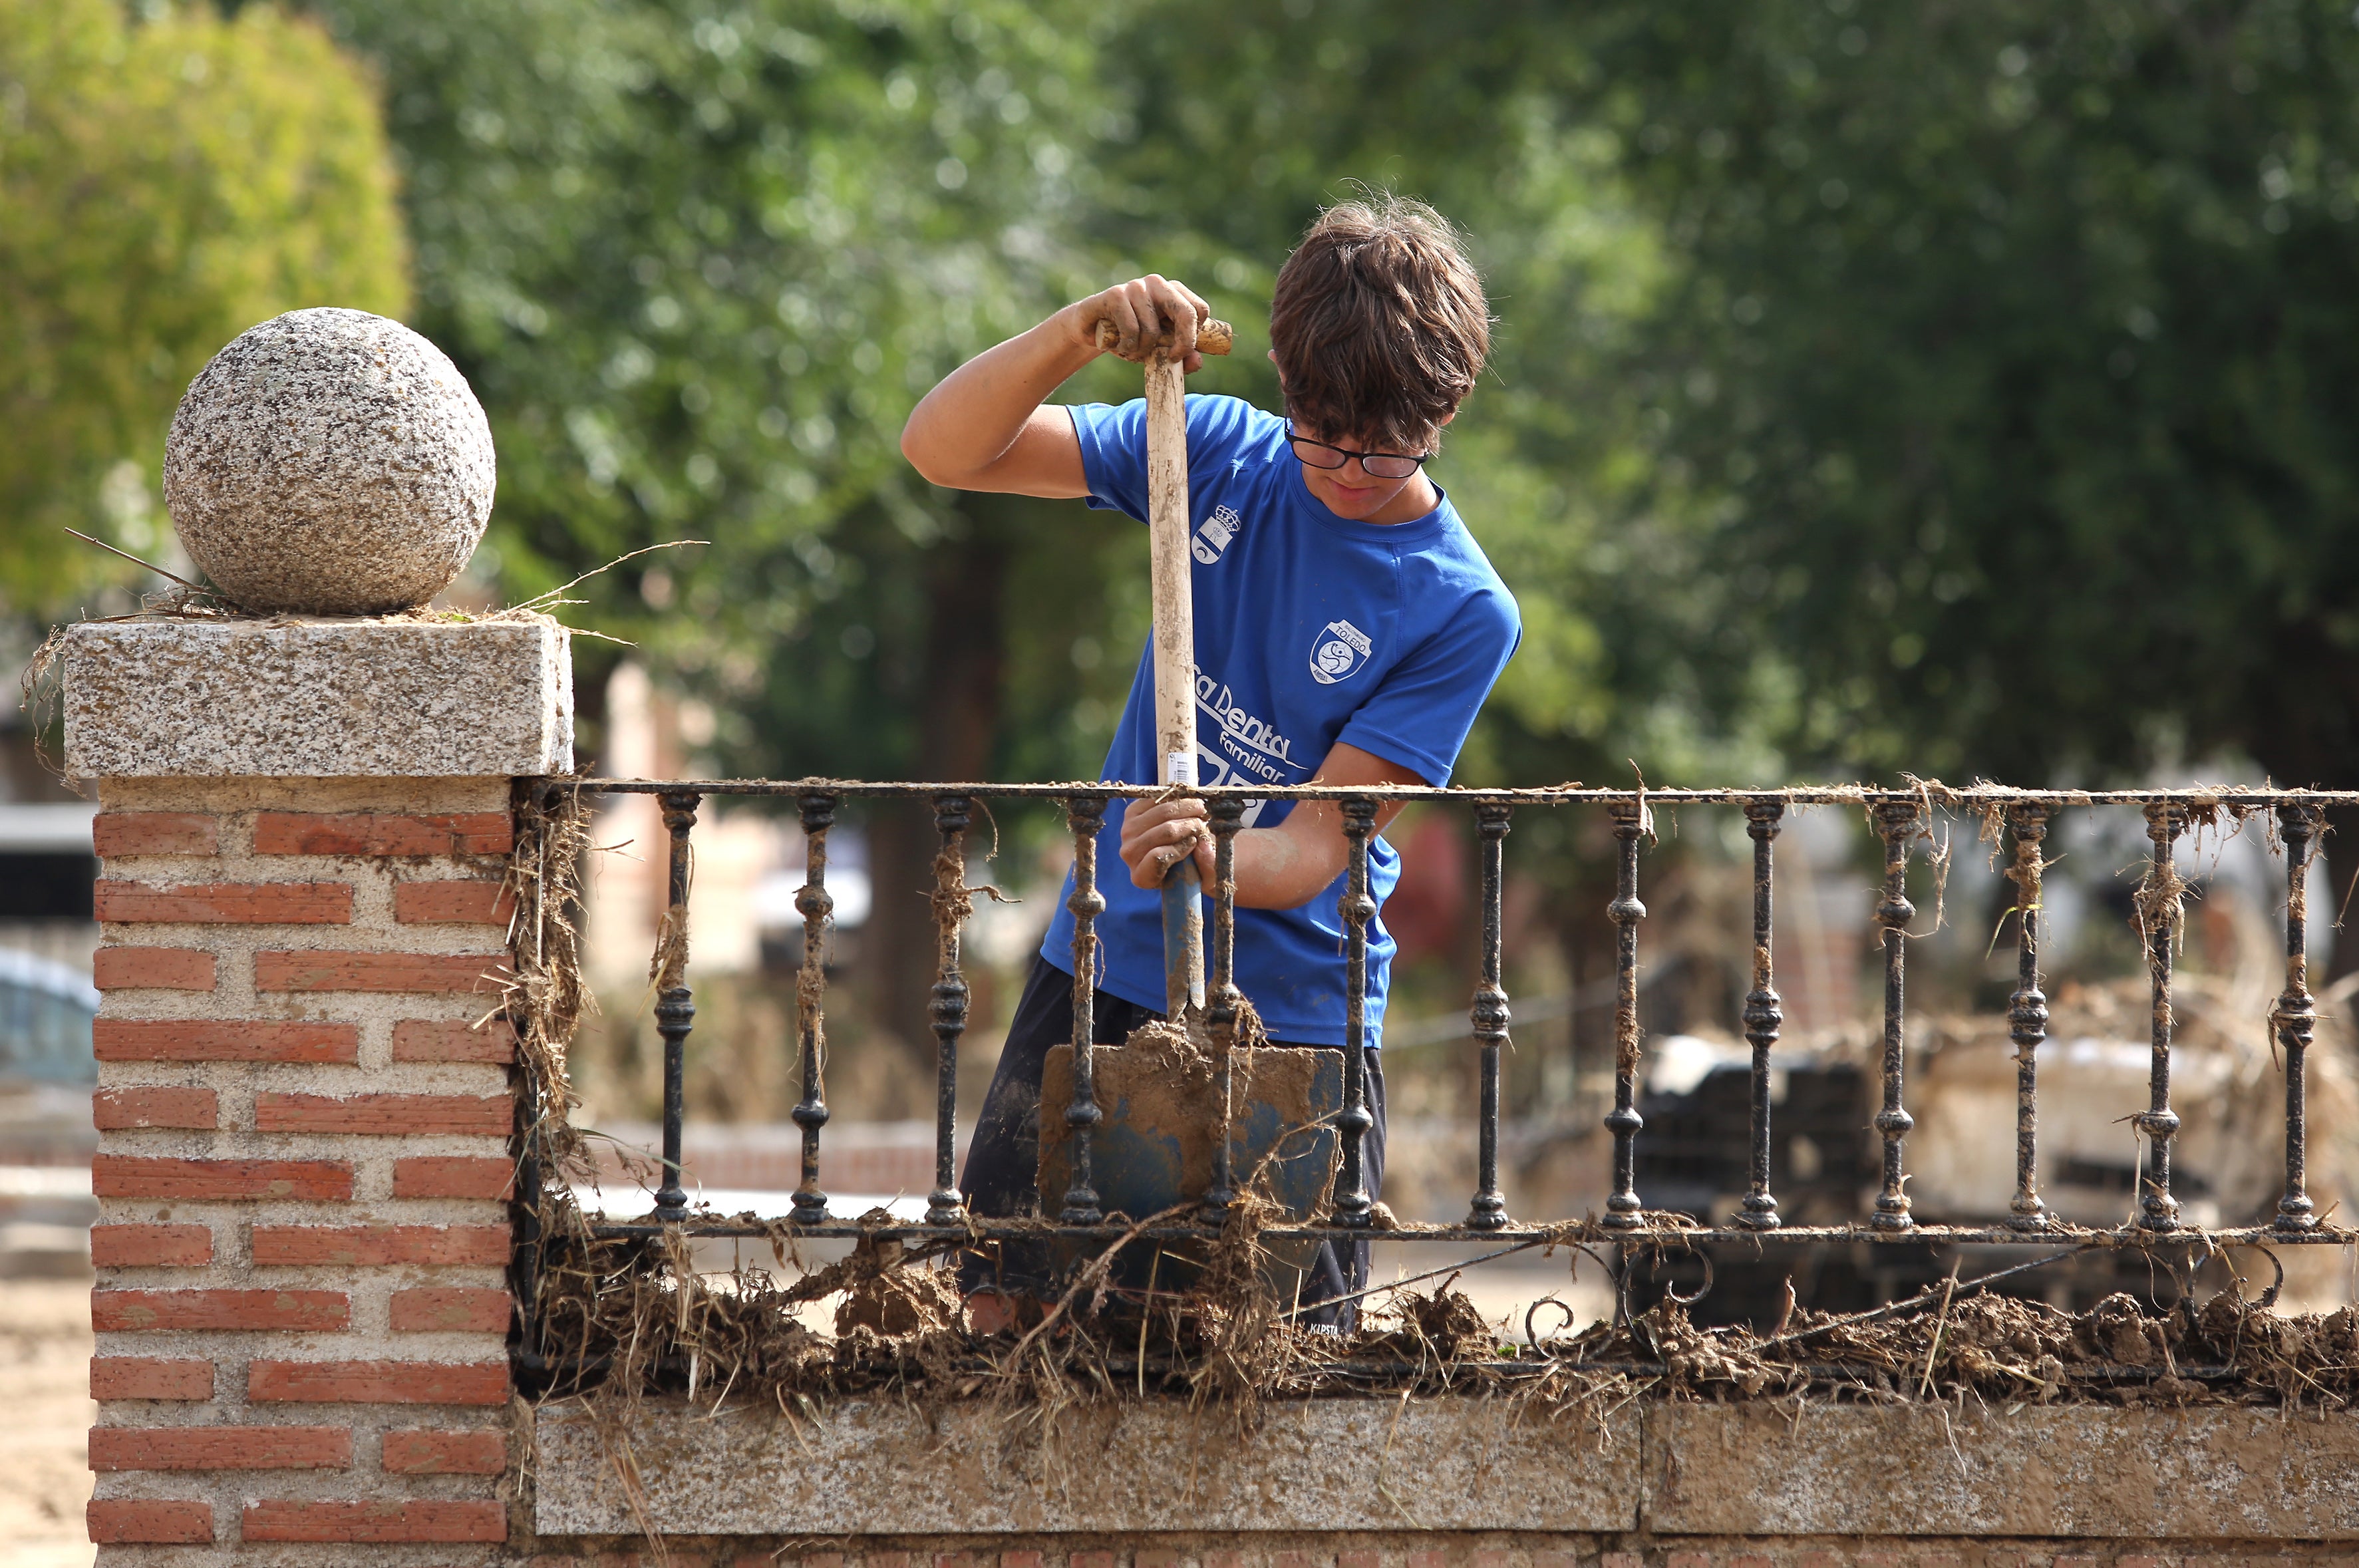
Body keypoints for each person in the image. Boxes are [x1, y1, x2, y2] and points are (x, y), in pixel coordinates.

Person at [899, 195, 1521, 1332]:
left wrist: (1214, 847)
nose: (1345, 467)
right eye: (1320, 428)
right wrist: (1080, 332)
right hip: (1100, 962)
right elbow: (943, 449)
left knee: (1261, 1371)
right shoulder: (1215, 451)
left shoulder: (1460, 608)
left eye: (1385, 447)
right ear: (1283, 379)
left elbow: (1324, 843)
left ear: (1447, 410)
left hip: (1292, 1024)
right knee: (1007, 1319)